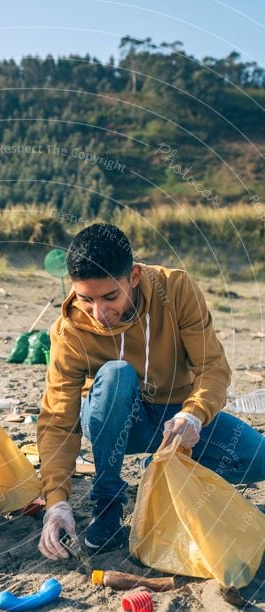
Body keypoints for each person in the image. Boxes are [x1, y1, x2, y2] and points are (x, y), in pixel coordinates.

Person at [37, 223, 265, 560]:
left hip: (177, 418)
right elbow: (58, 419)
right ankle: (109, 502)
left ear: (134, 277)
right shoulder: (69, 331)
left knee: (257, 459)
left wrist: (194, 415)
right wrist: (56, 501)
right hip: (112, 422)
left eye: (109, 297)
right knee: (116, 375)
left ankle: (157, 474)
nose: (100, 313)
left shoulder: (175, 289)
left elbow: (212, 368)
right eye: (86, 298)